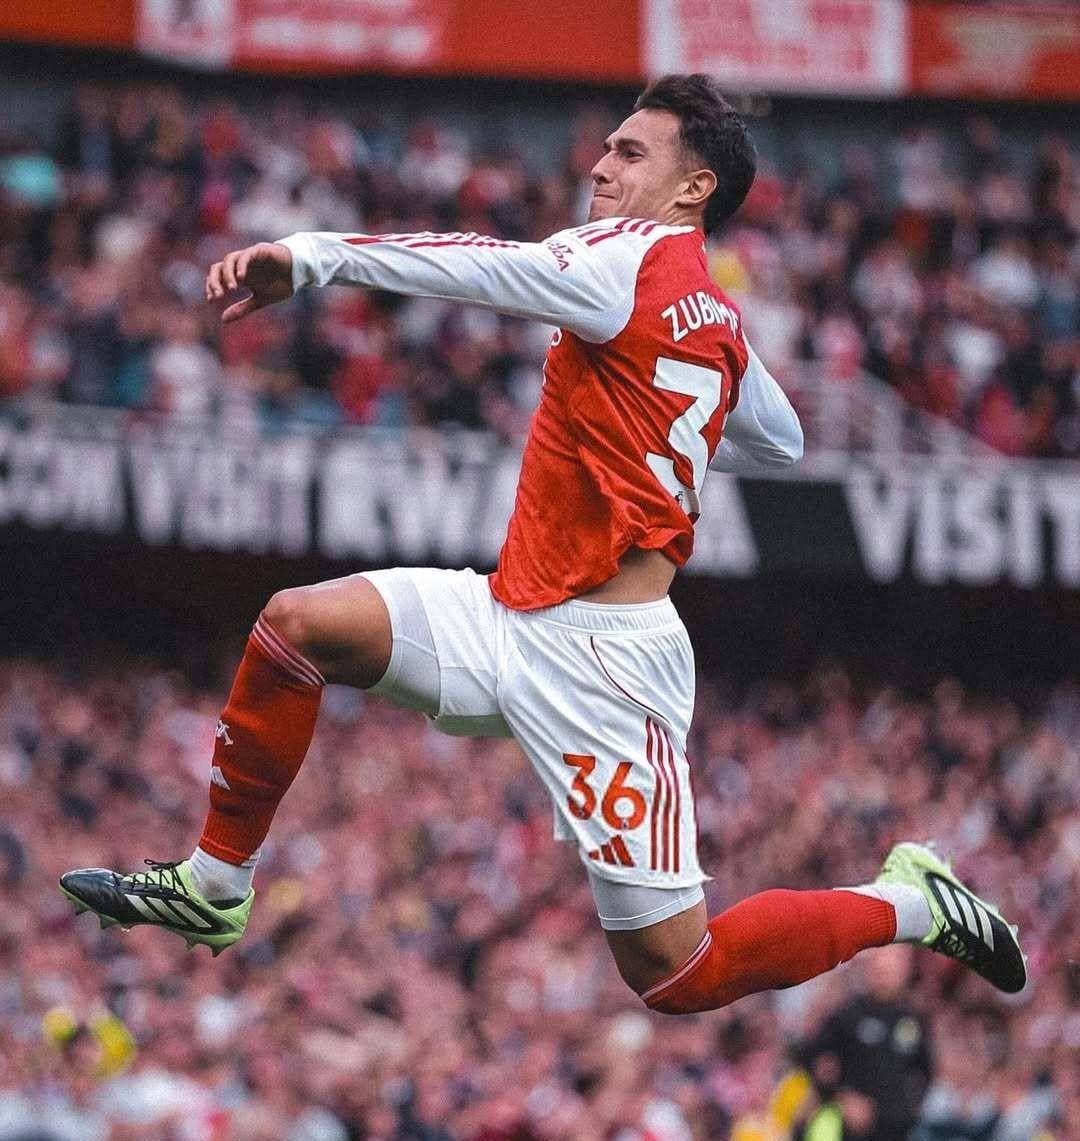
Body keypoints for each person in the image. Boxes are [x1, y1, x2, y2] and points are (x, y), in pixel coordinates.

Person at [61, 75, 1026, 1012]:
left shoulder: (624, 257)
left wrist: (313, 256)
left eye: (630, 152)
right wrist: (665, 433)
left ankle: (910, 902)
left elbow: (481, 264)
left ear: (694, 187)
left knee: (679, 975)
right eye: (607, 147)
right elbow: (783, 439)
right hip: (507, 611)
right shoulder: (722, 318)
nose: (601, 165)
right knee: (297, 625)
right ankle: (215, 885)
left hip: (610, 669)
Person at [795, 944, 933, 1141]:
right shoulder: (848, 1014)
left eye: (895, 963)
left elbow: (926, 1071)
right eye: (882, 962)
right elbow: (809, 1056)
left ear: (906, 969)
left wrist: (909, 1108)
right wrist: (840, 1097)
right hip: (852, 1131)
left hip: (895, 1130)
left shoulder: (914, 1019)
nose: (887, 969)